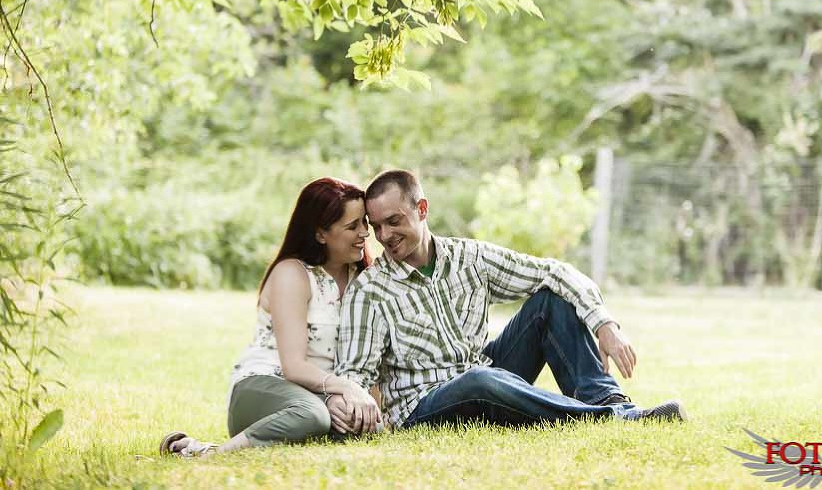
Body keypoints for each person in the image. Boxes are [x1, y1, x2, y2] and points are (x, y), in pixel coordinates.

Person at [334, 169, 687, 432]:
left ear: (422, 209)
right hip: (424, 406)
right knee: (479, 381)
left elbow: (554, 271)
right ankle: (617, 420)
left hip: (483, 373)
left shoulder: (468, 257)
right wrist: (346, 402)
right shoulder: (370, 291)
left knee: (551, 300)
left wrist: (605, 323)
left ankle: (604, 400)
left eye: (394, 221)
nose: (384, 236)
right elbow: (354, 373)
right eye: (376, 226)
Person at [160, 178, 382, 457]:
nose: (365, 233)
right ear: (320, 234)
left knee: (366, 425)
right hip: (264, 387)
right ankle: (209, 455)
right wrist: (343, 391)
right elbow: (294, 367)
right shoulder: (292, 274)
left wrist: (354, 402)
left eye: (365, 222)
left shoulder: (364, 280)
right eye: (352, 226)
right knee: (313, 416)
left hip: (320, 394)